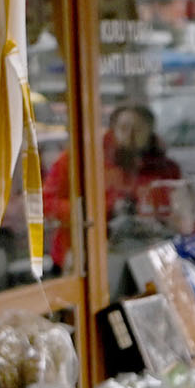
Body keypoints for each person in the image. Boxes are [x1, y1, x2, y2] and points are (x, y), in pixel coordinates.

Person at [41, 103, 182, 267]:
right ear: (113, 128)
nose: (130, 136)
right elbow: (46, 202)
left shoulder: (164, 168)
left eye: (139, 129)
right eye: (124, 128)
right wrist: (94, 211)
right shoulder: (80, 159)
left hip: (147, 255)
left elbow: (175, 211)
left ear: (150, 132)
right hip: (84, 256)